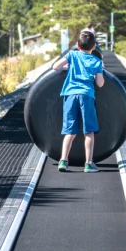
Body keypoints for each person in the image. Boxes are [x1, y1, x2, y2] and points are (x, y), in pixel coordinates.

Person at [52, 30, 105, 173]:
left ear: (77, 45)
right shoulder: (97, 61)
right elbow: (100, 83)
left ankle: (63, 161)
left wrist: (66, 67)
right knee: (89, 131)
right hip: (86, 95)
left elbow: (55, 67)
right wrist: (96, 75)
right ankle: (88, 164)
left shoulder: (72, 55)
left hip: (70, 95)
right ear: (94, 46)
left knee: (70, 130)